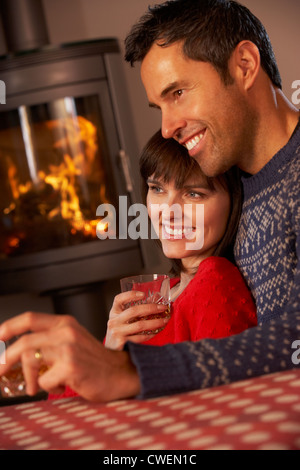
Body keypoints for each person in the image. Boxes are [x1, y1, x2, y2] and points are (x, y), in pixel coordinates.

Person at [0, 0, 299, 402]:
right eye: (159, 106)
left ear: (244, 65)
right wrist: (113, 351)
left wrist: (130, 369)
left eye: (178, 92)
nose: (167, 127)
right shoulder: (238, 176)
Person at [105, 131, 257, 350]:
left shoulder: (215, 283)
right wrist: (110, 349)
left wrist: (113, 365)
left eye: (193, 194)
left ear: (233, 201)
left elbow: (226, 382)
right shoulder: (170, 291)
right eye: (157, 189)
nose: (167, 212)